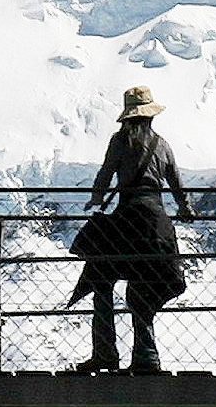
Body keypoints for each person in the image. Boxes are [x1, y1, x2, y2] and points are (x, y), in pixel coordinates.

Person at [72, 87, 190, 374]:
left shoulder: (120, 141)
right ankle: (146, 356)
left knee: (101, 279)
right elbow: (175, 181)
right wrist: (185, 208)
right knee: (144, 286)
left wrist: (97, 198)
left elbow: (106, 172)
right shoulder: (162, 145)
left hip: (128, 220)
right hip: (157, 224)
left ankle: (105, 353)